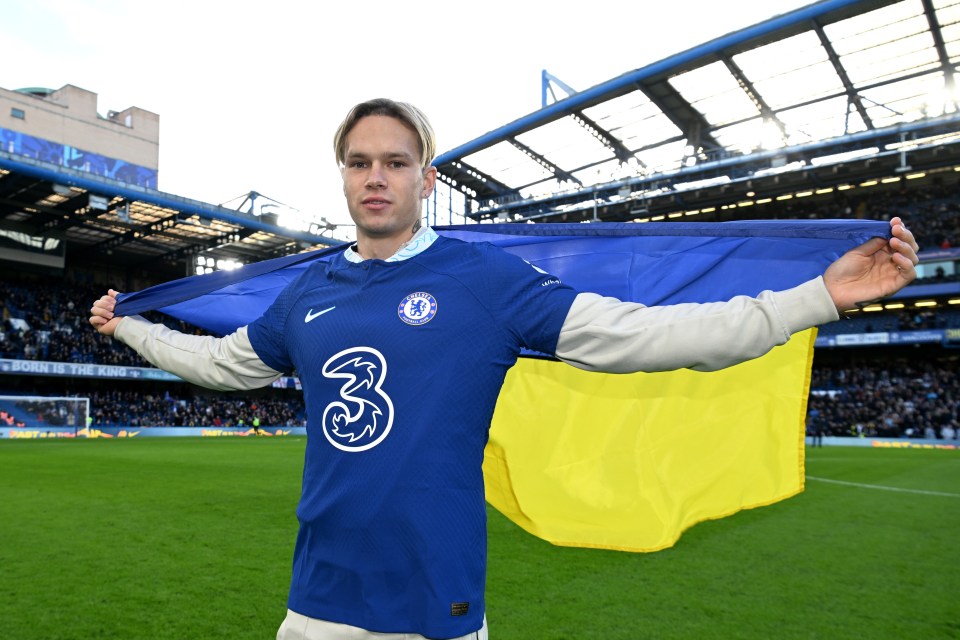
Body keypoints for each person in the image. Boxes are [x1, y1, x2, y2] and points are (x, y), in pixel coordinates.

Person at [90, 98, 920, 640]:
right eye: (359, 162)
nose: (376, 177)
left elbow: (655, 336)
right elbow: (218, 366)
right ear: (341, 175)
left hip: (435, 604)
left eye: (395, 161)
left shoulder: (484, 283)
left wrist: (817, 296)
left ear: (427, 177)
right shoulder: (308, 292)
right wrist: (128, 330)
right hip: (316, 603)